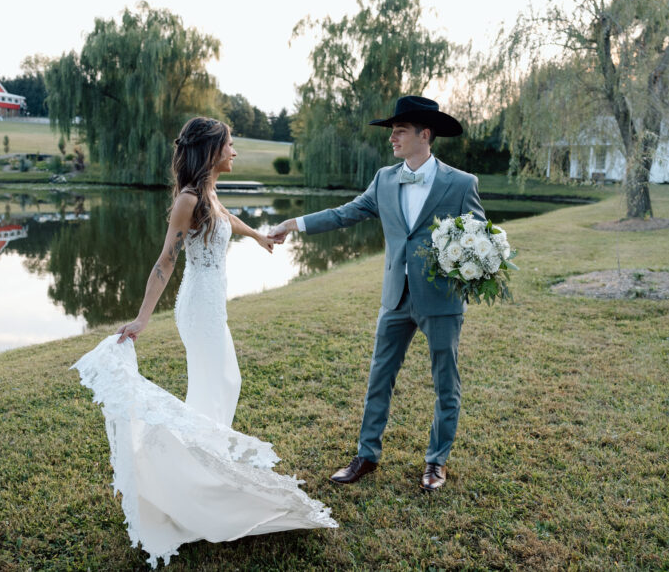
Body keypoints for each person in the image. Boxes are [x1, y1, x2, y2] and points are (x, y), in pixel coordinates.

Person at [71, 117, 336, 568]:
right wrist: (141, 318)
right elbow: (165, 262)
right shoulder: (188, 199)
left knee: (224, 384)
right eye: (230, 145)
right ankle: (191, 484)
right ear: (212, 151)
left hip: (213, 308)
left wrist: (256, 236)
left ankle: (201, 471)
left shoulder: (208, 193)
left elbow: (225, 218)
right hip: (198, 310)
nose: (235, 152)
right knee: (220, 385)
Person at [268, 96, 484, 493]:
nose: (393, 139)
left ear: (425, 134)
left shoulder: (461, 182)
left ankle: (436, 462)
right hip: (395, 298)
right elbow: (343, 213)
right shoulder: (385, 179)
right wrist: (292, 223)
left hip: (441, 301)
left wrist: (468, 271)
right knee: (378, 378)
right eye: (392, 132)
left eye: (400, 131)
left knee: (445, 383)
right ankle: (366, 456)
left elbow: (480, 238)